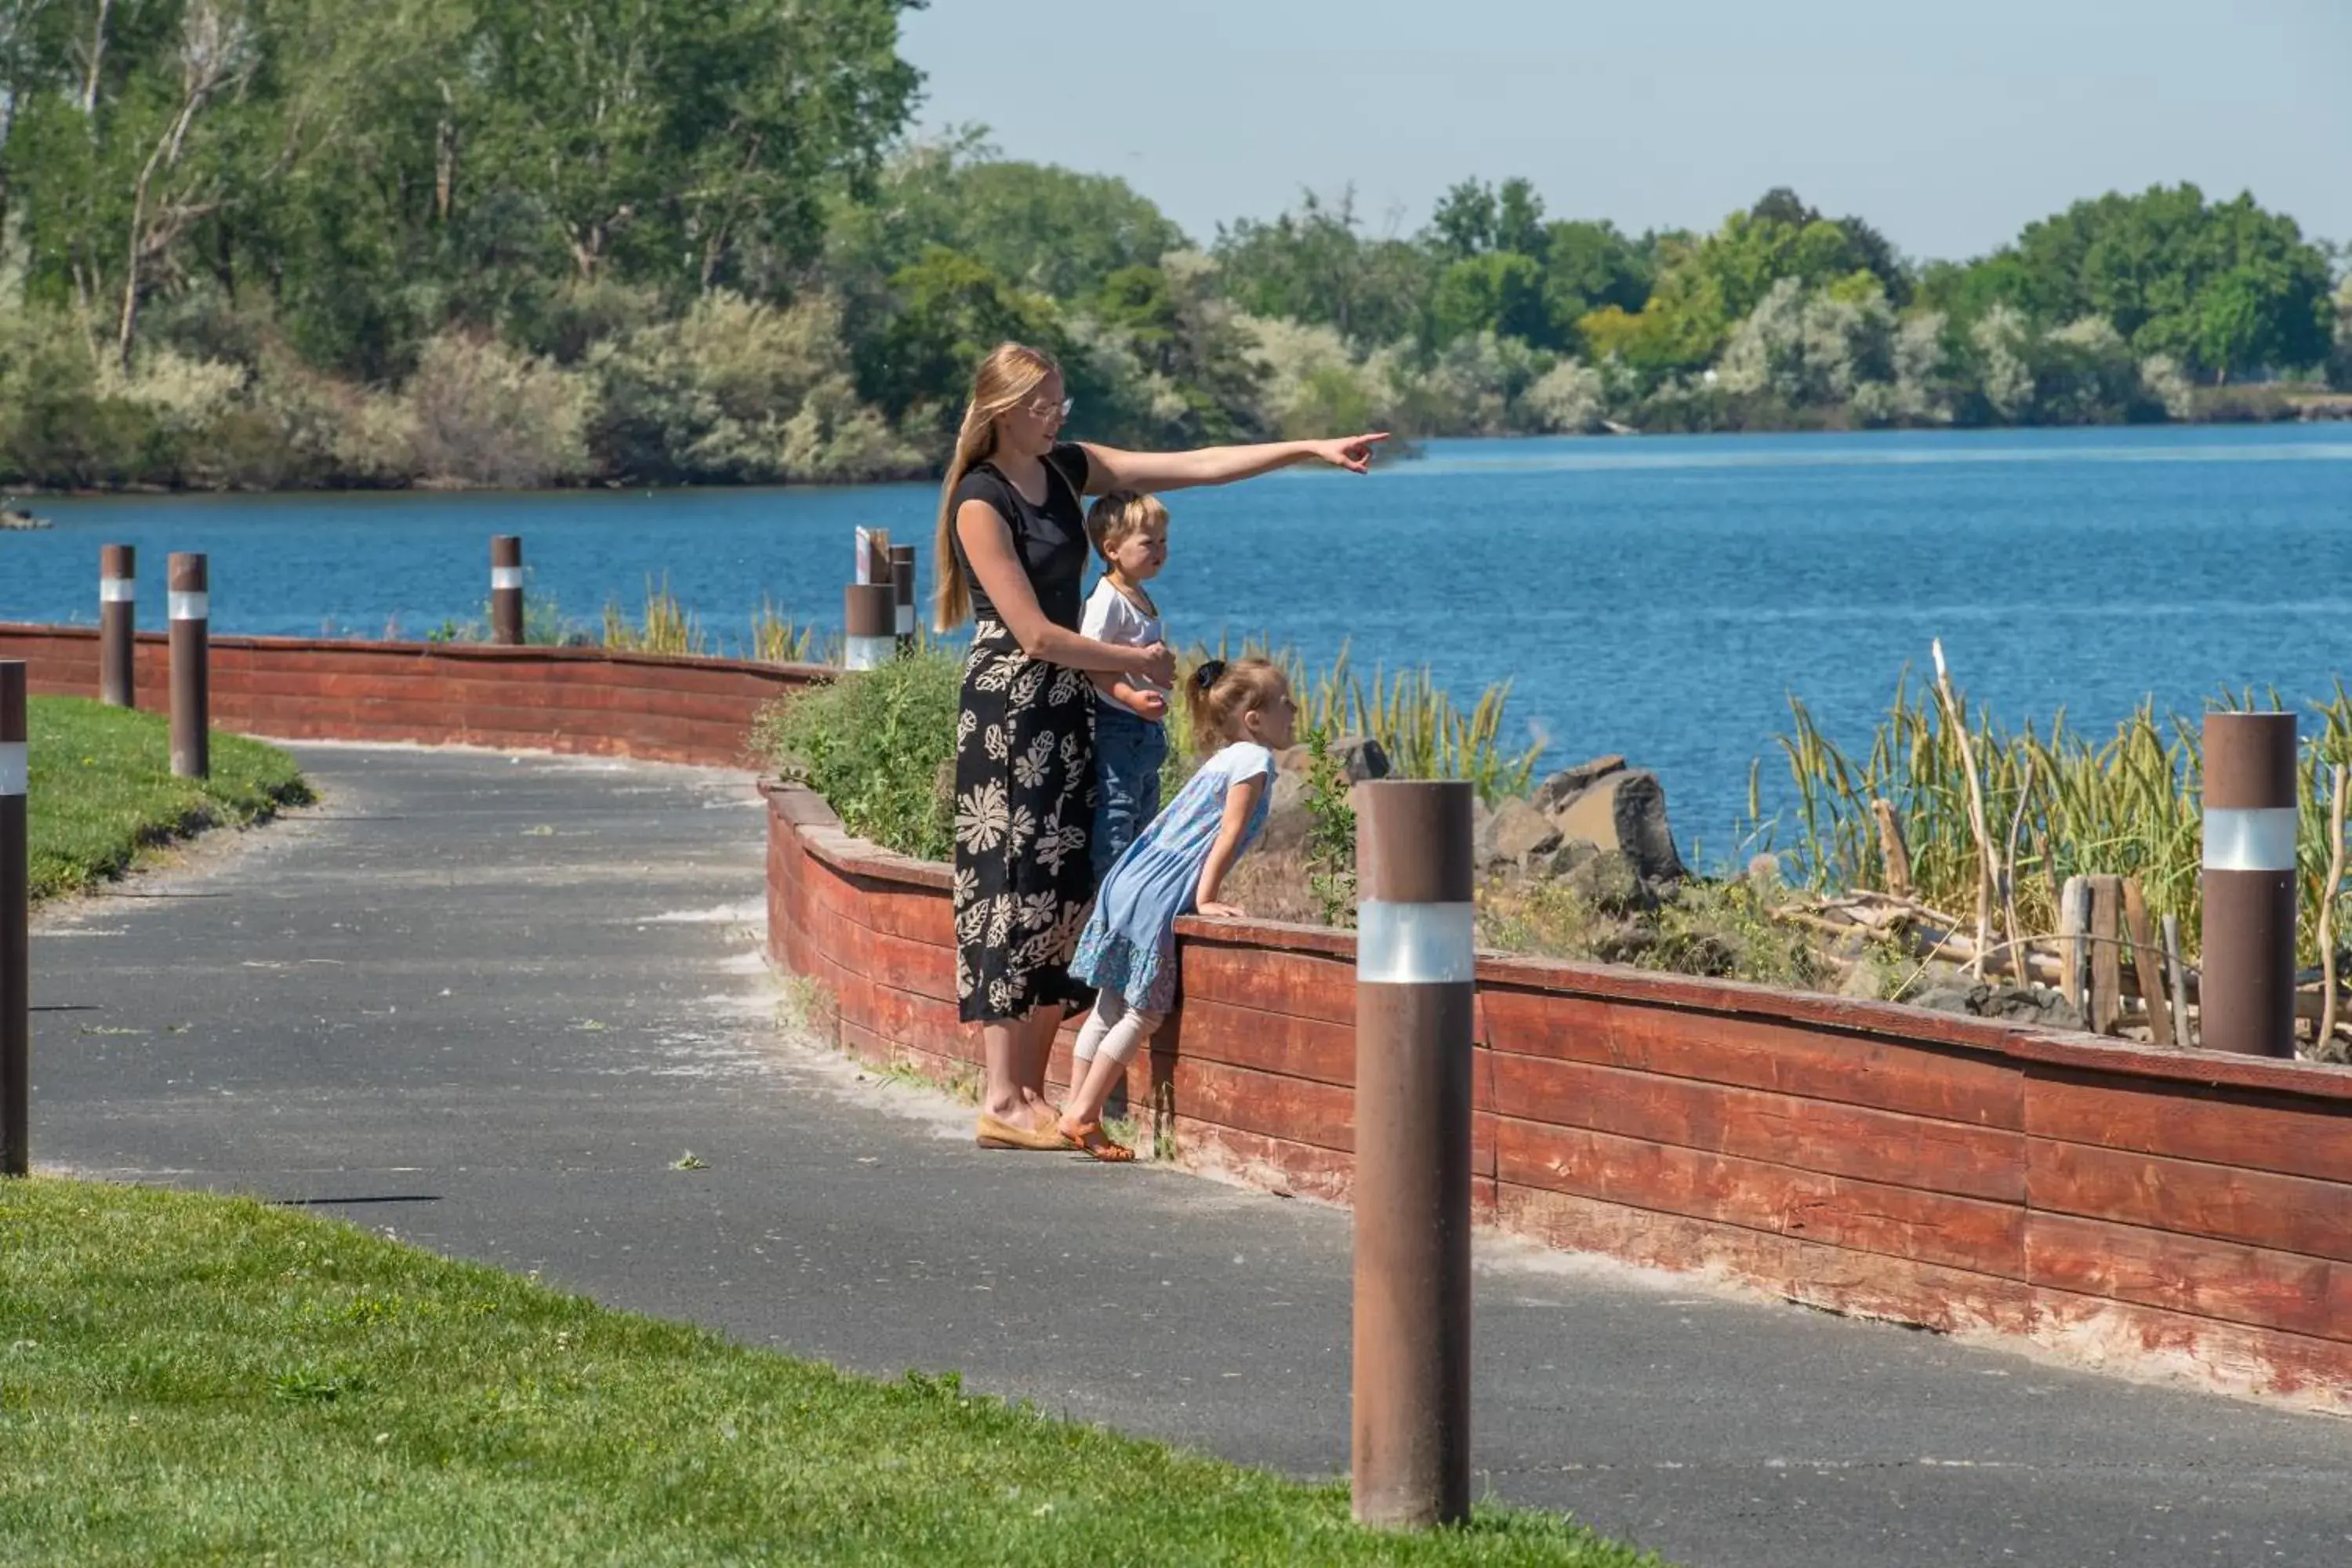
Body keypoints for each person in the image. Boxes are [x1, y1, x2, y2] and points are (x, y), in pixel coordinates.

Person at [934, 342, 1383, 1152]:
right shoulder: (980, 498)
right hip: (1010, 712)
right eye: (1043, 405)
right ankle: (1001, 1097)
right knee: (1011, 888)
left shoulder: (1067, 469)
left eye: (1061, 402)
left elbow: (1199, 463)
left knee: (1065, 893)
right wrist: (1132, 660)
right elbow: (1032, 633)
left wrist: (1306, 449)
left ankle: (1032, 1095)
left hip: (1070, 704)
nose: (1056, 417)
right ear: (1004, 408)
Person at [1058, 657, 1298, 1160]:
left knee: (1109, 1005)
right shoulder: (1255, 761)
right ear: (1253, 718)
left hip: (1133, 875)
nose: (1294, 709)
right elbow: (1228, 834)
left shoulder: (1223, 757)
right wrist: (1206, 898)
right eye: (1284, 703)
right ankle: (1084, 1115)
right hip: (1161, 888)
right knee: (1143, 1011)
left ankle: (1074, 1109)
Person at [1080, 491, 1172, 884]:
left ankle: (1136, 886)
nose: (1160, 551)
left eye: (1164, 541)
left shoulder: (1138, 593)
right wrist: (1131, 697)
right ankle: (1110, 890)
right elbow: (1092, 660)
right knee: (1119, 810)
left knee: (1144, 811)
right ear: (1112, 549)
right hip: (1119, 722)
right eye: (1149, 543)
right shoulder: (1107, 600)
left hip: (1143, 726)